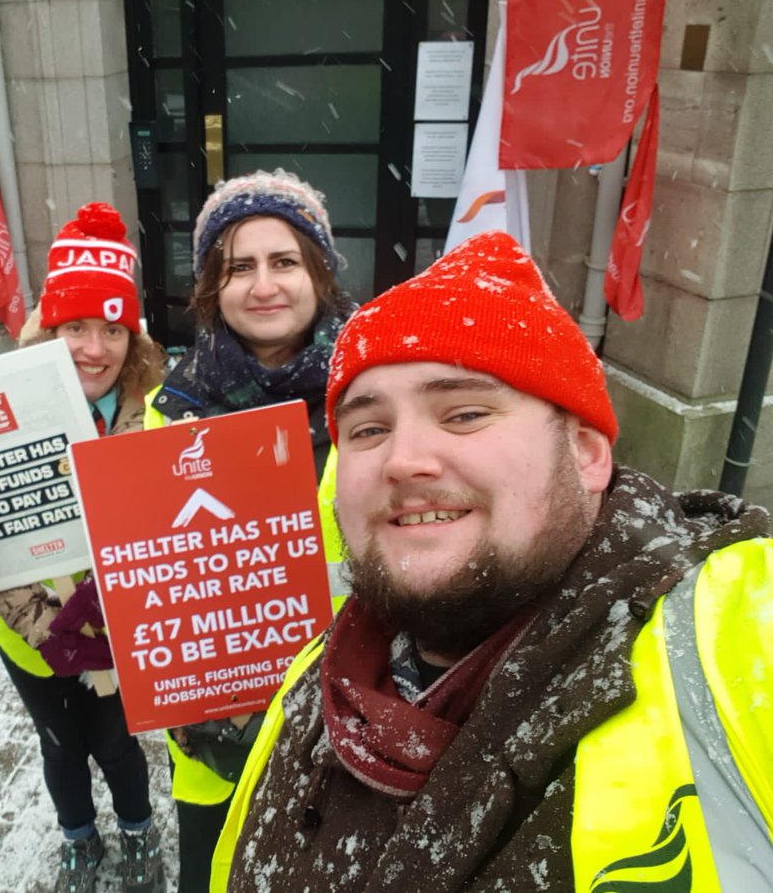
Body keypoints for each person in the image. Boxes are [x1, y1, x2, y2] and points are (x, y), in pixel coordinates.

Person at [213, 231, 773, 890]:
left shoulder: (729, 638)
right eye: (370, 429)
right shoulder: (317, 680)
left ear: (588, 454)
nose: (402, 459)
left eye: (465, 413)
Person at [144, 169, 354, 892]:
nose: (264, 285)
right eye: (239, 267)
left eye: (285, 261)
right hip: (212, 732)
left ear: (319, 274)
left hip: (343, 732)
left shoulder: (375, 393)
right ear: (212, 287)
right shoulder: (170, 410)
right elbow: (152, 574)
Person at [0, 202, 168, 893]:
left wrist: (117, 613)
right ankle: (77, 837)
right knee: (60, 744)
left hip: (120, 629)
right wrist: (45, 625)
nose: (93, 347)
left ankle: (138, 828)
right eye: (75, 328)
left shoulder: (156, 408)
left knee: (117, 743)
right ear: (48, 330)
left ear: (132, 335)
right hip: (29, 629)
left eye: (111, 329)